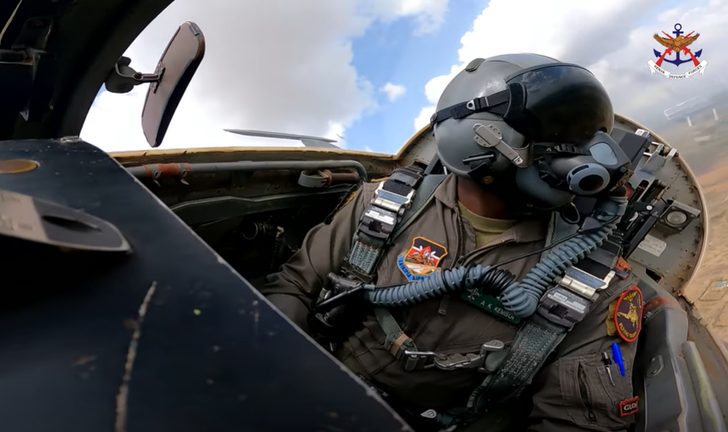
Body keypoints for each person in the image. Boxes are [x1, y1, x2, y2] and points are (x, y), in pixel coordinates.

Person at [260, 53, 641, 432]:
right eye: (559, 133)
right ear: (481, 136)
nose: (586, 154)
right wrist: (285, 374)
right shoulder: (383, 205)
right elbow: (295, 287)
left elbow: (573, 421)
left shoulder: (595, 281)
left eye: (585, 137)